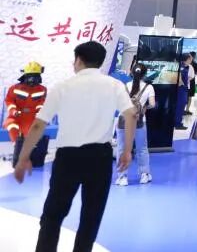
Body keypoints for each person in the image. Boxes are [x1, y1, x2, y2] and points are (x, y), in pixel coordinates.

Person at [13, 41, 137, 252]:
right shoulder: (114, 85)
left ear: (78, 60)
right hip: (100, 156)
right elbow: (131, 114)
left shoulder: (63, 87)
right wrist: (126, 151)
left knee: (53, 214)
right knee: (91, 215)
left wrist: (23, 157)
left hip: (68, 158)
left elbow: (38, 125)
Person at [115, 64, 154, 186]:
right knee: (142, 148)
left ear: (131, 73)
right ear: (145, 74)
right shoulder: (149, 87)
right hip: (140, 120)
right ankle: (144, 174)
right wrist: (144, 107)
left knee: (121, 148)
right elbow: (152, 104)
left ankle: (122, 177)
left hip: (123, 120)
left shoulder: (125, 86)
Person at [4, 60, 47, 167]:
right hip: (17, 116)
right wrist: (13, 111)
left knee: (34, 132)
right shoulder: (14, 88)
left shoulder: (42, 89)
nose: (33, 79)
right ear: (25, 75)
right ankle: (17, 147)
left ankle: (31, 155)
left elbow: (42, 102)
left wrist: (40, 112)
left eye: (35, 76)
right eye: (31, 76)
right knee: (12, 125)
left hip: (32, 118)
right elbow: (9, 100)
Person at [175, 53, 193, 130]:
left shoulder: (184, 66)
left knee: (180, 106)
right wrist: (183, 85)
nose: (191, 60)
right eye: (190, 59)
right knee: (180, 106)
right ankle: (177, 123)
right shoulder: (181, 66)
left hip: (182, 89)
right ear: (187, 59)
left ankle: (177, 122)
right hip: (181, 89)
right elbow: (179, 80)